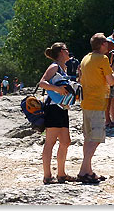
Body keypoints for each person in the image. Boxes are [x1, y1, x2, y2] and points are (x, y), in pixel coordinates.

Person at [77, 33, 114, 184]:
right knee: (96, 138)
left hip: (86, 102)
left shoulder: (85, 58)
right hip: (97, 102)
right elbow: (111, 81)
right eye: (106, 43)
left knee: (88, 138)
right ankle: (83, 170)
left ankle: (88, 170)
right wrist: (112, 67)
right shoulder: (103, 59)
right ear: (102, 45)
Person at [38, 43, 74, 185]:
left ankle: (61, 174)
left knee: (65, 141)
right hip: (53, 108)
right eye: (66, 49)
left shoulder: (63, 68)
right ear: (61, 52)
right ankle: (47, 176)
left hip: (62, 108)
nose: (68, 51)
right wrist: (57, 89)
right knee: (50, 142)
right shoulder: (54, 66)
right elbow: (42, 83)